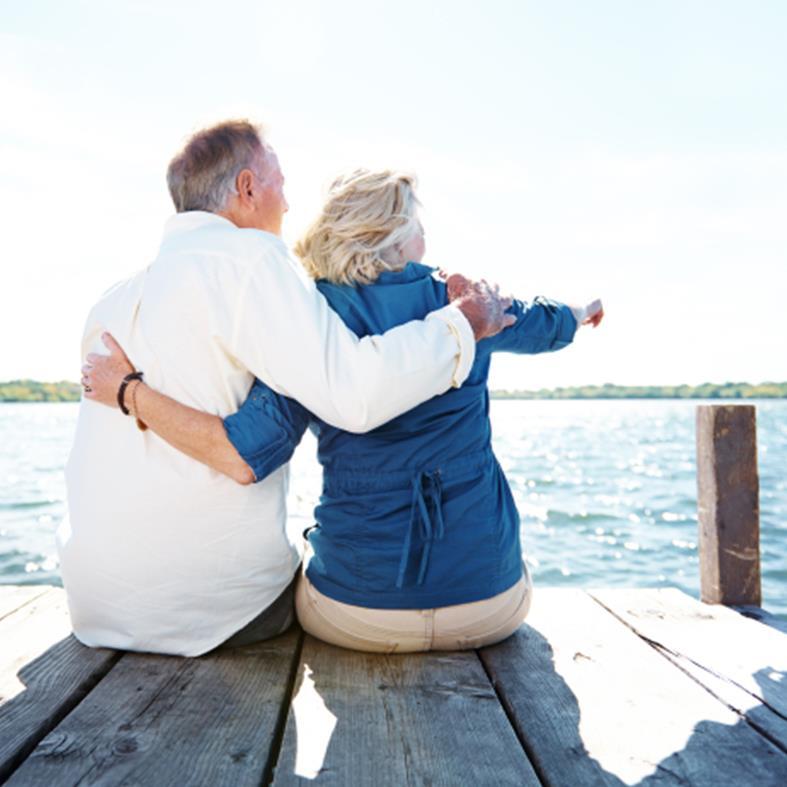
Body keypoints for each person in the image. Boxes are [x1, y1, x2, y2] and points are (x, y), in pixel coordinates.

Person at [83, 168, 603, 653]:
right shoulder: (468, 305)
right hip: (489, 608)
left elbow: (250, 447)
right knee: (506, 565)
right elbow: (544, 324)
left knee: (310, 565)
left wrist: (131, 391)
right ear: (398, 233)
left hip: (358, 616)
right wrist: (582, 313)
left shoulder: (312, 319)